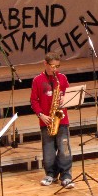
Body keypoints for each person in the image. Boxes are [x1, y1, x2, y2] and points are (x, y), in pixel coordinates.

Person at [30, 52, 74, 188]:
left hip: (62, 119)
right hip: (46, 120)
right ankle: (50, 174)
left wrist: (64, 99)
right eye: (52, 66)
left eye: (57, 66)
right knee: (48, 150)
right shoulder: (37, 80)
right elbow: (33, 101)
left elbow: (69, 96)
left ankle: (66, 176)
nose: (55, 69)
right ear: (45, 64)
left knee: (64, 149)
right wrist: (41, 115)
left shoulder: (62, 78)